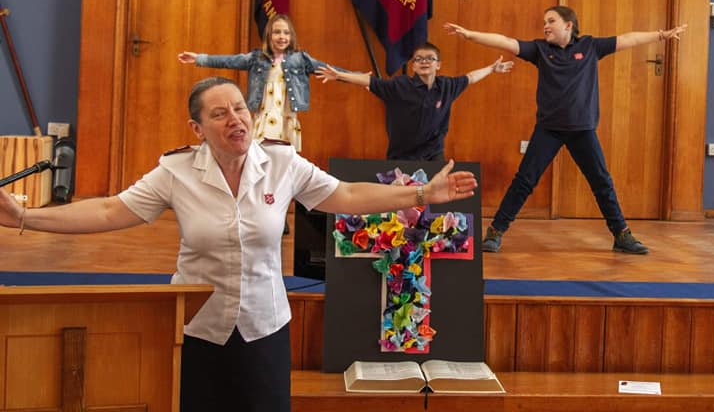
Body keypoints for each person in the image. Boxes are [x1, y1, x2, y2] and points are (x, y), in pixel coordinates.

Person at [0, 76, 477, 412]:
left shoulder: (282, 163)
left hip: (263, 327)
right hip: (198, 329)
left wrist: (421, 194)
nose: (235, 119)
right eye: (219, 113)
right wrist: (25, 218)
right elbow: (109, 211)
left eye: (240, 109)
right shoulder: (176, 171)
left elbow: (347, 195)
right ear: (197, 129)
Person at [444, 6, 686, 255]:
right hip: (548, 129)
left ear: (568, 25)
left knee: (602, 182)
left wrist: (661, 35)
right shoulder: (539, 50)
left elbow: (628, 39)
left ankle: (622, 235)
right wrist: (470, 35)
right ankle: (495, 232)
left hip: (583, 130)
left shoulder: (590, 46)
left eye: (551, 21)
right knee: (524, 180)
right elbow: (505, 42)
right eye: (544, 22)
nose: (545, 26)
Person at [316, 42, 514, 161]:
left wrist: (492, 69)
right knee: (399, 205)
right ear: (413, 66)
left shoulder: (447, 86)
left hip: (433, 154)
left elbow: (470, 77)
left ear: (438, 65)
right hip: (401, 155)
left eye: (430, 58)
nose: (424, 62)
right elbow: (369, 81)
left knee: (435, 202)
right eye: (419, 59)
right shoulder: (399, 86)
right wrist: (339, 75)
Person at [178, 14, 337, 152]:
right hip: (265, 113)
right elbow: (229, 61)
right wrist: (199, 59)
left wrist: (350, 76)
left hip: (286, 115)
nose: (282, 36)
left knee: (284, 155)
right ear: (269, 35)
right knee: (263, 149)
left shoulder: (300, 59)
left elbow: (330, 70)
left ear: (291, 36)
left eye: (286, 33)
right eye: (277, 32)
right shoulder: (257, 58)